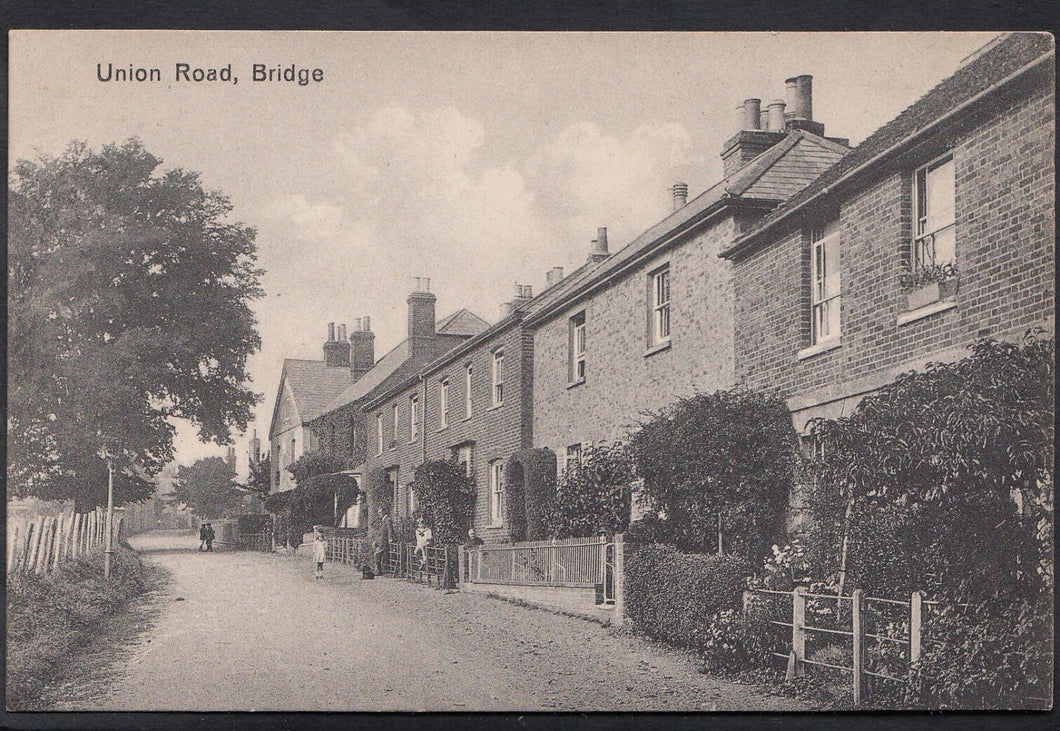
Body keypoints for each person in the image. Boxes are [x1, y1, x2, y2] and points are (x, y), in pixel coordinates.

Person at [371, 508, 393, 575]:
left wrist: (390, 538)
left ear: (384, 512)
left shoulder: (388, 520)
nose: (379, 514)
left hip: (384, 541)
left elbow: (390, 530)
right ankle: (378, 570)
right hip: (380, 541)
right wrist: (375, 541)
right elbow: (378, 532)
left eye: (380, 512)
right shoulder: (382, 520)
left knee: (376, 555)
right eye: (379, 513)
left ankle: (378, 571)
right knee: (377, 555)